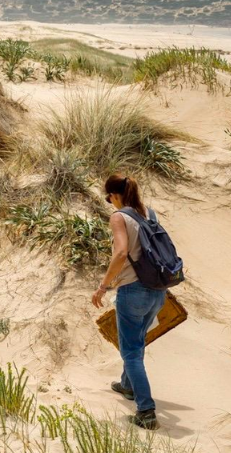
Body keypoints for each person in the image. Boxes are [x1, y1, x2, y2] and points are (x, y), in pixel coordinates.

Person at [92, 174, 165, 431]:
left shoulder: (119, 216)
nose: (109, 202)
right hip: (158, 291)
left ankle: (146, 411)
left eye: (108, 197)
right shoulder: (150, 213)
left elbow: (121, 252)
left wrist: (103, 286)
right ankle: (127, 385)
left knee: (131, 351)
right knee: (138, 341)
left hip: (133, 292)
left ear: (114, 195)